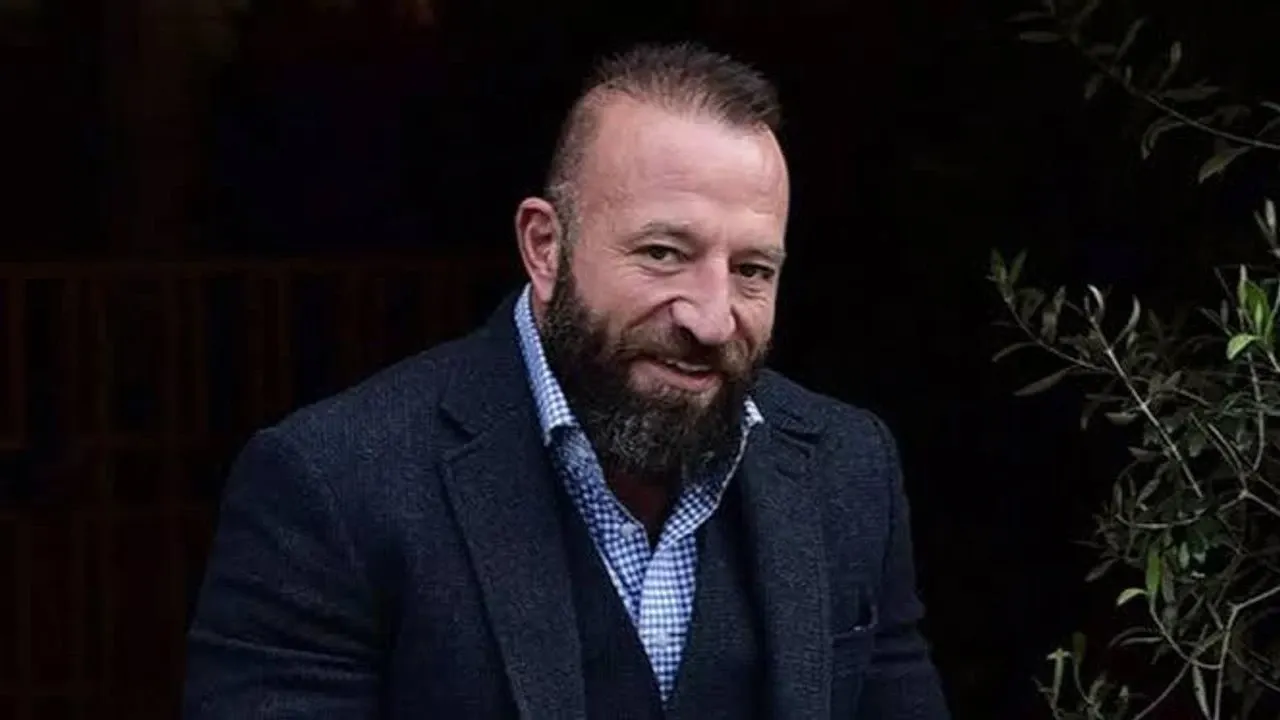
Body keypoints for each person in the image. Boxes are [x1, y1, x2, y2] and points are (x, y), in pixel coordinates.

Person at [183, 42, 951, 719]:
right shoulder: (332, 486)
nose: (712, 317)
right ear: (545, 247)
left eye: (752, 270)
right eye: (663, 254)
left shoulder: (847, 470)